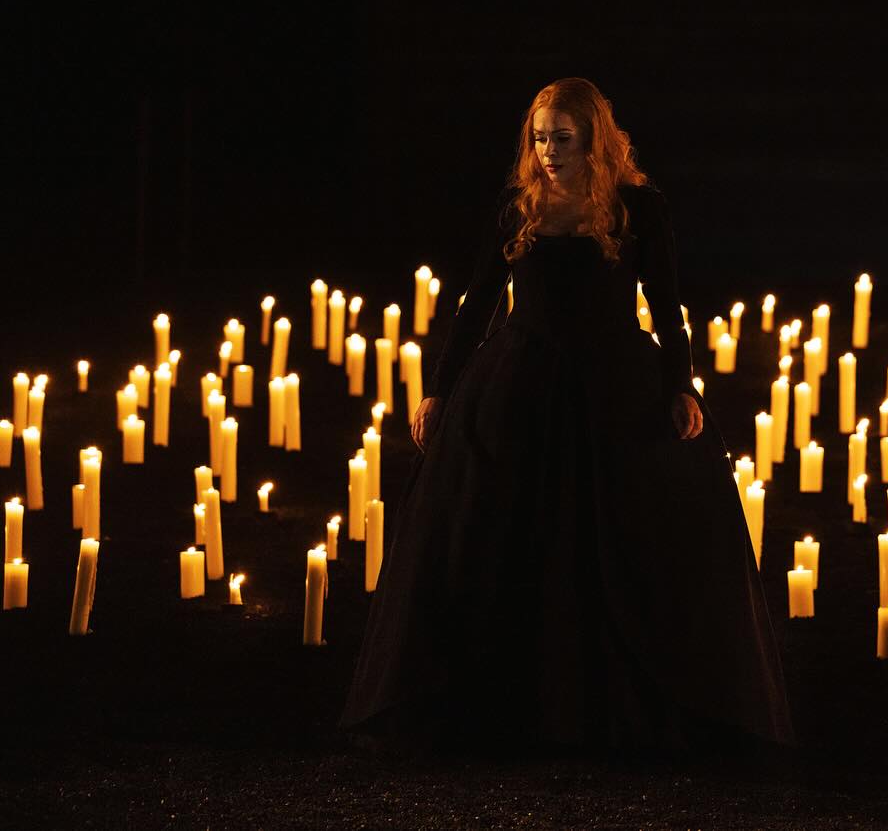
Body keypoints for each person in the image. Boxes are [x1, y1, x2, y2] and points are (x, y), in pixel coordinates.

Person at [339, 78, 795, 755]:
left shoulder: (638, 207)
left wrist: (682, 387)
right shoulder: (517, 206)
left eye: (563, 138)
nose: (548, 151)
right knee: (504, 532)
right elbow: (476, 304)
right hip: (520, 384)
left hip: (613, 384)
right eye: (540, 137)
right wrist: (440, 391)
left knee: (614, 533)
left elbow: (666, 310)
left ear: (594, 140)